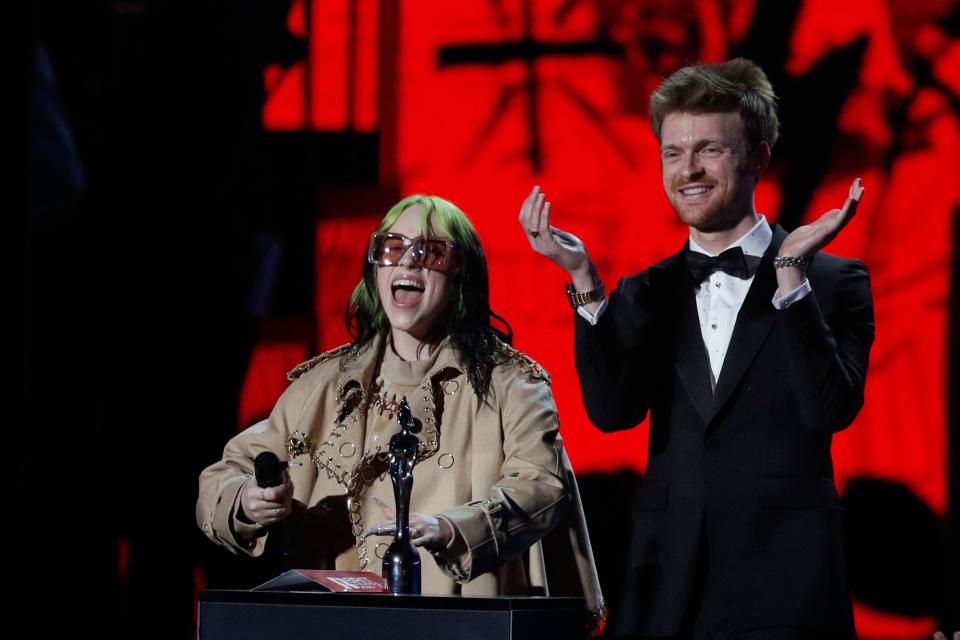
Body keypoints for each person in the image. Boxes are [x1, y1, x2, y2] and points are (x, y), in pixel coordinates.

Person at [519, 59, 874, 639]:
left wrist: (789, 280)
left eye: (710, 150)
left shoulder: (834, 282)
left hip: (788, 579)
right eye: (673, 153)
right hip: (670, 580)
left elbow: (829, 410)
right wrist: (585, 284)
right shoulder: (644, 291)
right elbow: (612, 414)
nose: (689, 171)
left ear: (759, 156)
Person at [198, 195, 604, 625]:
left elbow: (541, 486)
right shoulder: (323, 385)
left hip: (458, 622)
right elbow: (224, 474)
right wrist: (247, 500)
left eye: (429, 253)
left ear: (462, 273)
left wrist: (453, 529)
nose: (408, 264)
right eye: (392, 248)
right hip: (336, 625)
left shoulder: (511, 384)